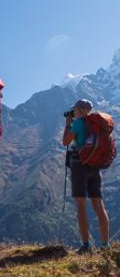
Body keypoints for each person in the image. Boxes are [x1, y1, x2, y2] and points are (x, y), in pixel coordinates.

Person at [62, 99, 110, 254]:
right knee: (99, 206)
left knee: (81, 206)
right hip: (95, 166)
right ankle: (105, 245)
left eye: (75, 110)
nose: (73, 112)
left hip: (79, 166)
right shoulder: (97, 125)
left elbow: (65, 142)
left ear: (81, 110)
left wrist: (68, 123)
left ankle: (86, 245)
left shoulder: (78, 123)